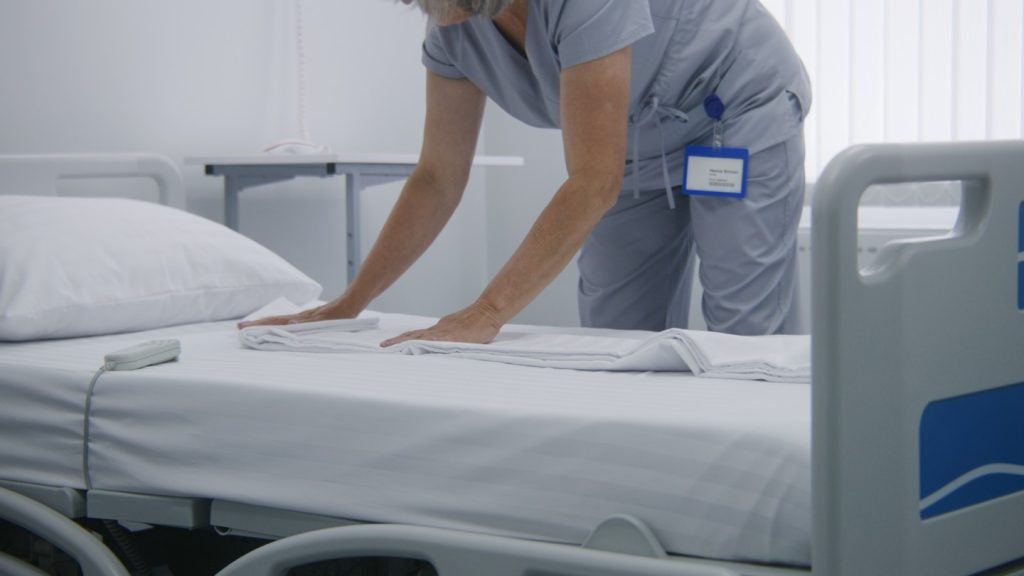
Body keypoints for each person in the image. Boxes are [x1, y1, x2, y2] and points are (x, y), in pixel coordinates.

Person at [240, 0, 811, 344]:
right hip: (635, 139)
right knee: (617, 338)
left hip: (733, 110)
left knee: (743, 331)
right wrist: (349, 302)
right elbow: (437, 177)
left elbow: (592, 182)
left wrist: (486, 313)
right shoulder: (452, 29)